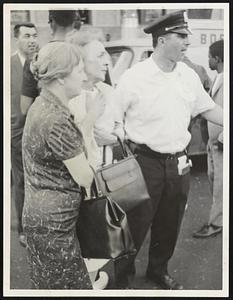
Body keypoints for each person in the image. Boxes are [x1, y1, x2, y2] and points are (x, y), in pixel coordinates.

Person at [113, 10, 223, 289]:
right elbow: (112, 119)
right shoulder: (134, 77)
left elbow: (207, 108)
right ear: (162, 40)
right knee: (135, 225)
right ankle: (121, 279)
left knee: (169, 223)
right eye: (181, 36)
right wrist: (121, 142)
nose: (188, 42)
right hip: (144, 163)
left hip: (179, 164)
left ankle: (157, 270)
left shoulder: (187, 74)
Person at [22, 42, 104, 289]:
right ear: (59, 78)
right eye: (78, 70)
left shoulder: (42, 105)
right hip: (56, 225)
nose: (84, 75)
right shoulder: (56, 118)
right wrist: (91, 119)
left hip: (42, 216)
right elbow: (85, 177)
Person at [68, 32, 117, 168]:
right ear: (81, 61)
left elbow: (120, 127)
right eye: (100, 56)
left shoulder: (108, 91)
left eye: (106, 55)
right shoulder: (68, 97)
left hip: (110, 175)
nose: (107, 62)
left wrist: (114, 138)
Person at [20, 10, 80, 113]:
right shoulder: (90, 54)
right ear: (76, 23)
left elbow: (25, 108)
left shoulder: (35, 58)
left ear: (51, 22)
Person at [193, 39, 224, 238]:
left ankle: (216, 223)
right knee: (215, 181)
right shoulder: (219, 78)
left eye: (210, 58)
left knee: (221, 184)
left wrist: (223, 137)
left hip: (222, 142)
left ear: (218, 58)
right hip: (213, 144)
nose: (208, 62)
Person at [11, 22, 38, 247]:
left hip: (38, 132)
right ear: (16, 39)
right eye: (27, 35)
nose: (32, 40)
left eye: (35, 35)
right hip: (17, 132)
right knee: (21, 182)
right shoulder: (8, 64)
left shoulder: (40, 61)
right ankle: (23, 229)